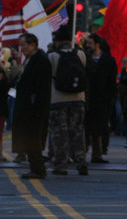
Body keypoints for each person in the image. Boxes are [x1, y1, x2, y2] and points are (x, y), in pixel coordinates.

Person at [47, 26, 88, 176]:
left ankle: (61, 164)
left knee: (59, 134)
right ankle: (81, 160)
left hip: (58, 100)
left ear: (57, 41)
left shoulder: (53, 56)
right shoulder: (80, 54)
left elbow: (49, 75)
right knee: (77, 131)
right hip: (78, 98)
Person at [12, 32, 52, 180]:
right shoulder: (29, 60)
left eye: (24, 45)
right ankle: (34, 167)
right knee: (28, 139)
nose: (22, 48)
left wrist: (36, 106)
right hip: (26, 107)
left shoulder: (40, 61)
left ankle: (38, 168)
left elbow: (41, 87)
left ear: (32, 45)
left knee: (33, 139)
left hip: (34, 108)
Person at [84, 33, 117, 163]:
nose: (87, 46)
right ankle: (82, 154)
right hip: (87, 98)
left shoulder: (108, 60)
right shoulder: (85, 59)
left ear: (97, 45)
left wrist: (109, 98)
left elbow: (111, 82)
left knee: (98, 129)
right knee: (86, 128)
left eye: (90, 43)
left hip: (102, 100)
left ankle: (97, 154)